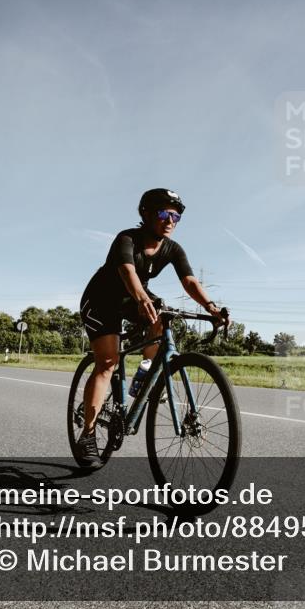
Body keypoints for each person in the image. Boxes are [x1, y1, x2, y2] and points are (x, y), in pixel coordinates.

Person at [78, 188, 227, 467]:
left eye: (176, 216)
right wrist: (143, 297)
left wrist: (212, 308)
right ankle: (87, 435)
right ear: (145, 213)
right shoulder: (127, 238)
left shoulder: (172, 248)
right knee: (107, 362)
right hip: (102, 300)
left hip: (135, 299)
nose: (170, 220)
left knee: (162, 316)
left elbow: (190, 283)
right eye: (164, 213)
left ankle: (145, 373)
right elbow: (127, 271)